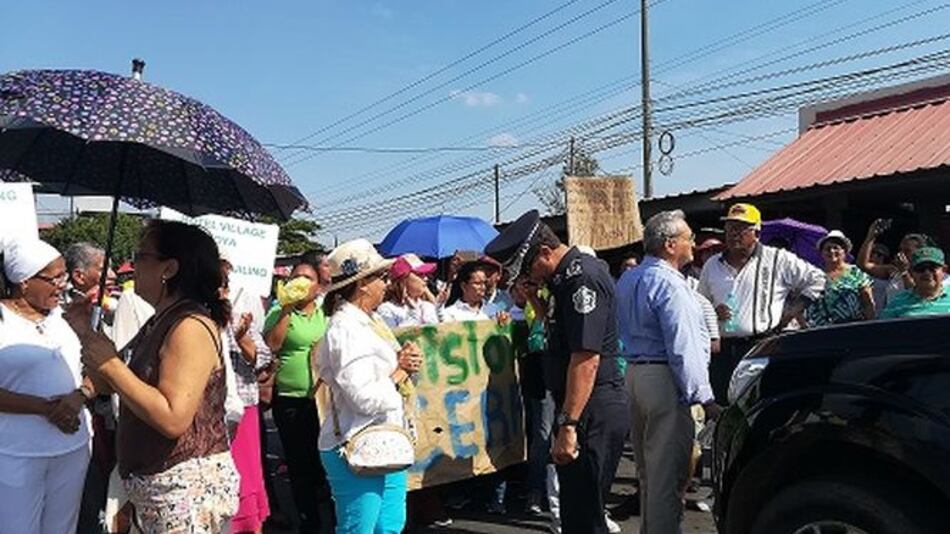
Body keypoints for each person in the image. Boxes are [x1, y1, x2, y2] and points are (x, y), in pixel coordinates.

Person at [66, 220, 238, 532]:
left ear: (169, 268)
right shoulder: (160, 321)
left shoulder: (190, 326)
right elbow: (113, 383)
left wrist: (111, 365)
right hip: (157, 487)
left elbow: (173, 417)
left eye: (140, 255)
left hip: (183, 489)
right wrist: (85, 333)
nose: (131, 266)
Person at [485, 210, 629, 534]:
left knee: (585, 517)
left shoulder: (581, 279)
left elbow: (585, 357)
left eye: (528, 272)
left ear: (546, 253)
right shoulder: (561, 280)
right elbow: (559, 333)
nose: (527, 281)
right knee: (577, 514)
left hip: (590, 408)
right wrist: (535, 297)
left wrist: (568, 425)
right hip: (579, 406)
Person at [617, 210, 720, 534]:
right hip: (663, 379)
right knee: (667, 474)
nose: (693, 244)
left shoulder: (629, 278)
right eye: (689, 238)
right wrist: (705, 397)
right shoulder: (671, 285)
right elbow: (683, 347)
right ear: (670, 244)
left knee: (648, 472)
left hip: (634, 374)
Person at [315, 239, 423, 534]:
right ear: (362, 284)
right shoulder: (345, 329)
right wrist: (400, 371)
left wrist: (404, 363)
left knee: (389, 527)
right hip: (353, 445)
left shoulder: (371, 322)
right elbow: (364, 398)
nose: (386, 284)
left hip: (385, 440)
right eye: (381, 278)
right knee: (358, 529)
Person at [0, 239, 92, 534]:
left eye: (64, 276)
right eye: (54, 278)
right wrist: (45, 408)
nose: (62, 285)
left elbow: (97, 369)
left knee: (62, 528)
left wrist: (79, 397)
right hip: (16, 451)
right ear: (24, 281)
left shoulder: (67, 317)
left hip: (73, 445)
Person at [698, 203, 824, 404]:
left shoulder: (777, 259)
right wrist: (713, 312)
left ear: (756, 232)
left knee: (758, 405)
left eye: (741, 229)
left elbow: (817, 280)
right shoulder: (712, 264)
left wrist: (791, 312)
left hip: (761, 345)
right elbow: (699, 304)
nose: (733, 234)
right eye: (730, 228)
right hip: (723, 351)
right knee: (723, 406)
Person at [263, 254, 334, 533]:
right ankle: (308, 520)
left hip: (322, 398)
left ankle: (325, 503)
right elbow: (273, 345)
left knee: (322, 458)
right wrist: (285, 310)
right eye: (296, 278)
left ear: (318, 286)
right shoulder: (279, 310)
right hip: (290, 399)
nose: (301, 283)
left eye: (308, 278)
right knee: (298, 461)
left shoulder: (324, 313)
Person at [221, 259, 272, 533]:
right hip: (209, 418)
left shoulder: (237, 318)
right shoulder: (192, 318)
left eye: (225, 283)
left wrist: (242, 339)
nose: (222, 289)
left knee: (247, 482)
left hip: (243, 409)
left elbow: (263, 360)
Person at [805, 230, 875, 326]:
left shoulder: (855, 273)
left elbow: (868, 302)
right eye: (827, 248)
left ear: (844, 252)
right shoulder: (816, 276)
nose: (832, 251)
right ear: (822, 253)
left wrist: (870, 325)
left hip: (854, 327)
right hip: (824, 331)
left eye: (836, 248)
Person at [881, 247, 950, 318]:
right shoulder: (896, 305)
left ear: (944, 270)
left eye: (932, 267)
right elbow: (882, 328)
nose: (927, 273)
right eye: (920, 268)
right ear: (911, 273)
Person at [377, 254, 440, 329]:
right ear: (404, 280)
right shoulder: (387, 309)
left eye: (425, 274)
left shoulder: (427, 306)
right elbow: (393, 338)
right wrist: (413, 313)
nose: (426, 278)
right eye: (420, 274)